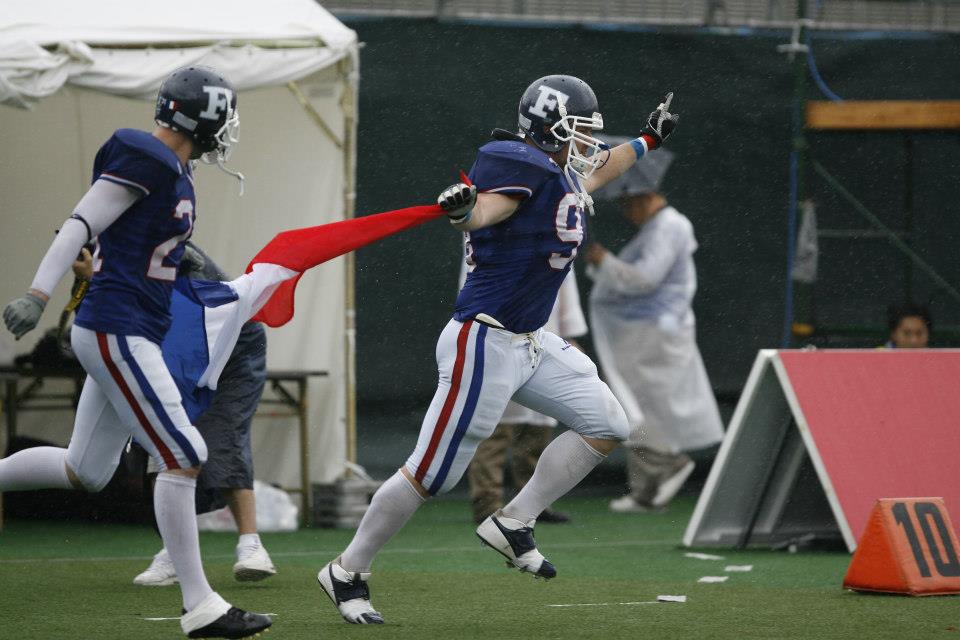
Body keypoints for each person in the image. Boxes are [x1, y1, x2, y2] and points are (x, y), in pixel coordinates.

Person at [316, 75, 679, 624]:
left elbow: (603, 165)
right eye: (579, 130)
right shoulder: (515, 163)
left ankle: (514, 521)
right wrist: (463, 211)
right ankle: (347, 570)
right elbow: (485, 210)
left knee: (606, 423)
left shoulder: (560, 168)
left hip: (529, 339)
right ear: (550, 124)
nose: (588, 144)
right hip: (482, 341)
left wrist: (649, 139)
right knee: (431, 475)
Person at [0, 66, 271, 638]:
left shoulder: (172, 169)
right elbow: (79, 223)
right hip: (116, 327)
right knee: (183, 454)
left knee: (85, 471)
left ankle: (199, 601)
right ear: (205, 116)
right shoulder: (145, 155)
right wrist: (38, 293)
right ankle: (201, 607)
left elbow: (122, 242)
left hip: (130, 325)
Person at [67, 243, 277, 585]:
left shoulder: (164, 246)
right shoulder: (107, 264)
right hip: (170, 353)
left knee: (223, 437)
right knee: (157, 448)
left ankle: (251, 544)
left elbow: (186, 311)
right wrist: (87, 283)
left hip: (229, 347)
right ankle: (174, 553)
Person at [585, 190, 724, 513]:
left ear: (643, 198)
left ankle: (662, 470)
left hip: (654, 335)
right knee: (639, 404)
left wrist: (604, 261)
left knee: (640, 404)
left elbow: (645, 279)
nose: (625, 212)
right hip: (647, 334)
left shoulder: (669, 226)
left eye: (626, 204)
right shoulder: (660, 228)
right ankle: (648, 486)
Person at [466, 270, 587, 525]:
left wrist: (570, 336)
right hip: (500, 339)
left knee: (537, 429)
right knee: (494, 428)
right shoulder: (492, 240)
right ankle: (487, 504)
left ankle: (532, 504)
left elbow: (565, 288)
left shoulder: (560, 237)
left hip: (545, 343)